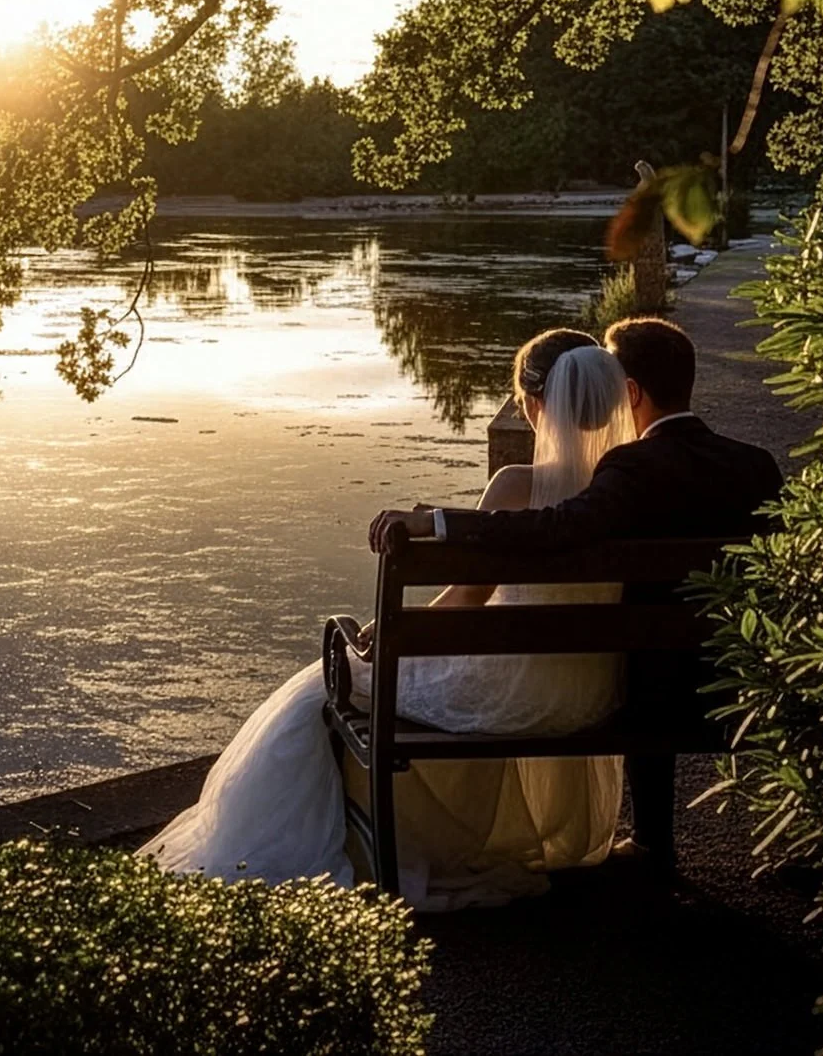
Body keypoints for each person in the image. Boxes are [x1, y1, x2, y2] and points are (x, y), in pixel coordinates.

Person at [140, 328, 647, 905]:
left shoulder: (515, 487)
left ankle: (332, 845)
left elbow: (464, 600)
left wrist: (386, 636)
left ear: (535, 405)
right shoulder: (631, 494)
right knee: (357, 673)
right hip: (589, 692)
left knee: (319, 692)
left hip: (515, 693)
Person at [363, 317, 783, 555]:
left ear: (631, 392)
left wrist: (434, 522)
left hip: (645, 680)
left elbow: (554, 526)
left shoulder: (629, 470)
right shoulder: (757, 465)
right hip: (737, 672)